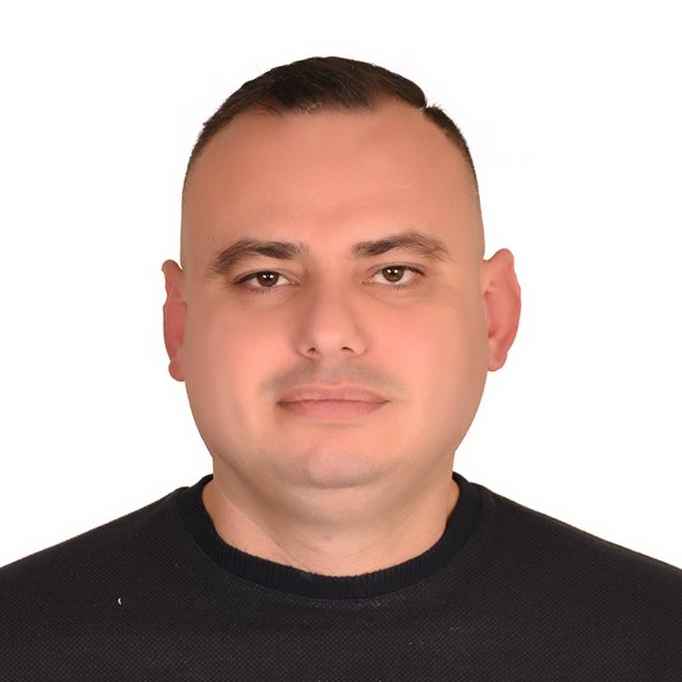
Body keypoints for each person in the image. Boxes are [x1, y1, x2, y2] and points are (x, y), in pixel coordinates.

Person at [1, 55, 680, 681]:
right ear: (179, 326)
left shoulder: (660, 641)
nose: (328, 333)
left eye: (394, 272)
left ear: (493, 317)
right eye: (265, 277)